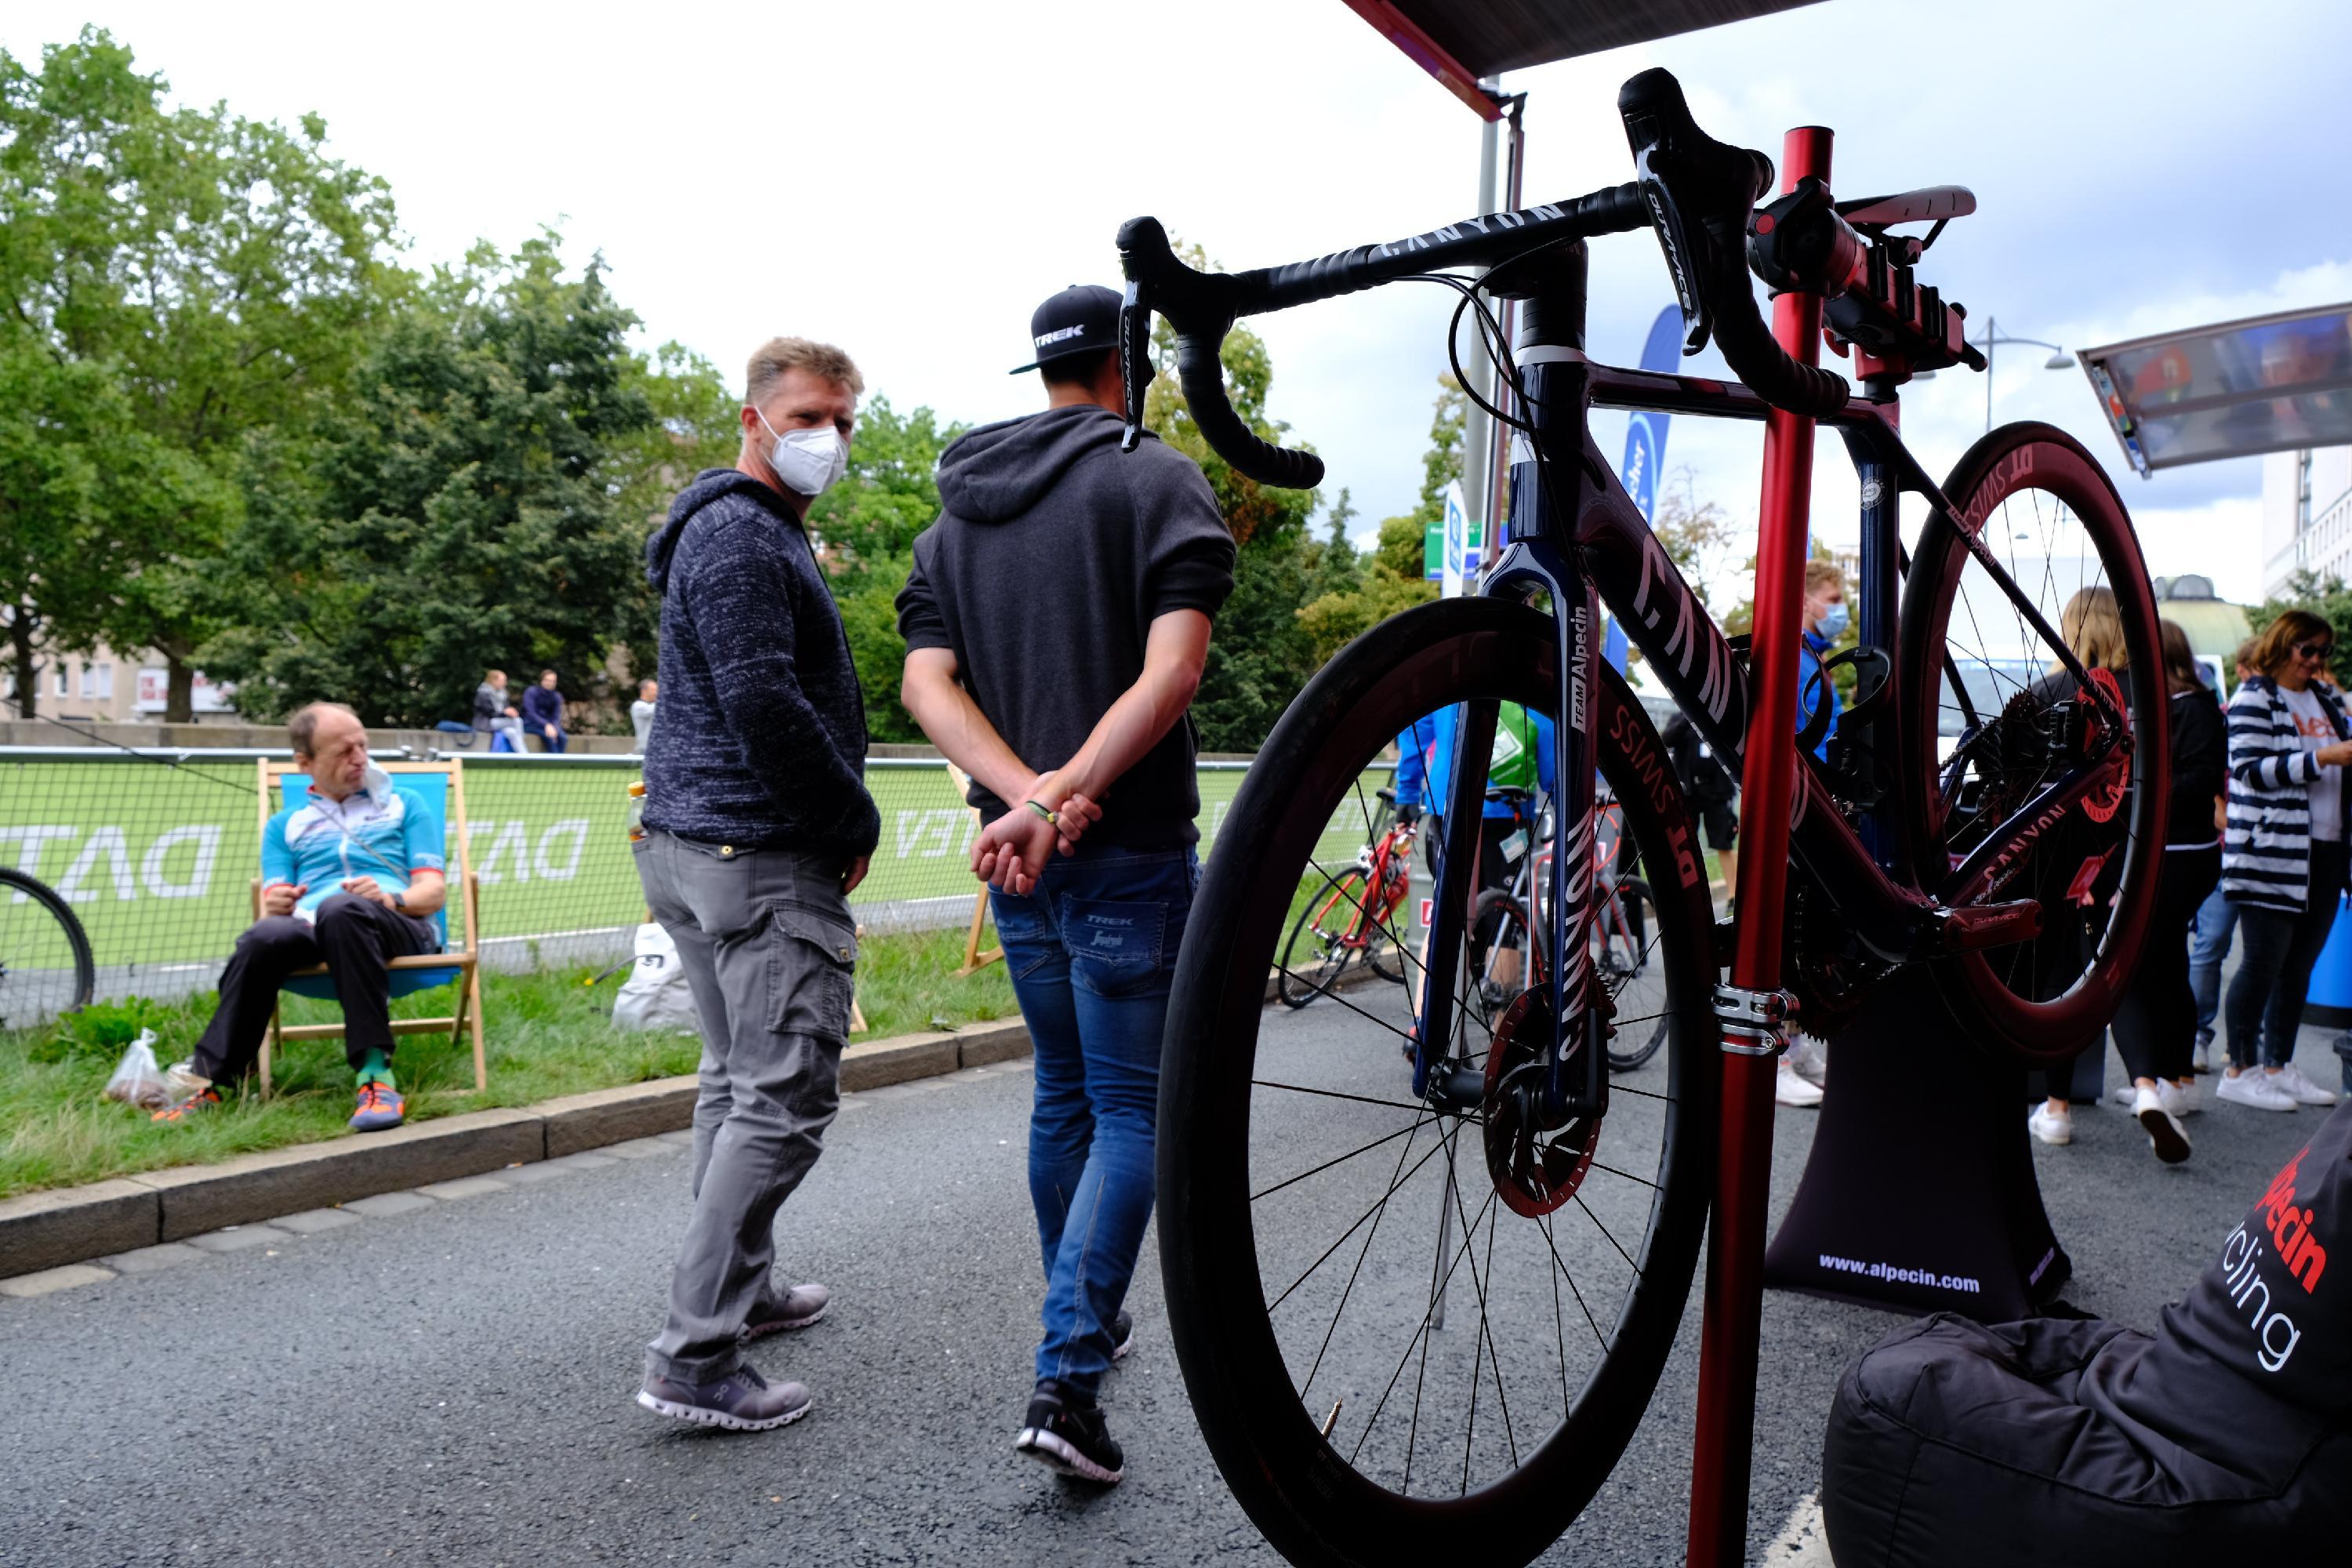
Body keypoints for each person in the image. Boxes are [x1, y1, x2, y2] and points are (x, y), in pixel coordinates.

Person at [897, 281, 1236, 1486]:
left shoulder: (955, 517)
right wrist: (1063, 794)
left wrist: (1020, 798)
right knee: (1135, 1112)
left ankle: (1080, 1324)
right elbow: (1176, 669)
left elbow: (925, 686)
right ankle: (1068, 1382)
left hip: (1015, 859)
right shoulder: (1155, 479)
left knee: (1065, 1099)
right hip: (1126, 852)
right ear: (1128, 362)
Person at [631, 336, 880, 1434]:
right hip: (754, 852)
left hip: (701, 847)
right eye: (812, 413)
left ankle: (745, 1290)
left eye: (844, 418)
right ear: (756, 419)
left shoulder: (738, 530)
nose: (829, 436)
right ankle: (694, 1359)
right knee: (780, 1103)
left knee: (735, 1085)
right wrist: (850, 814)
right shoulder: (739, 535)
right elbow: (762, 704)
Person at [154, 702, 445, 1134]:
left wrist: (391, 898)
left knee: (342, 908)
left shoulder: (405, 804)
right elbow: (274, 897)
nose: (361, 758)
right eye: (344, 751)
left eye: (363, 746)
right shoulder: (285, 825)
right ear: (305, 763)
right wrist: (275, 906)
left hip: (396, 924)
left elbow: (433, 892)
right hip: (316, 930)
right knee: (264, 936)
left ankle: (375, 1076)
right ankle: (215, 1081)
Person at [2102, 619, 2227, 1161]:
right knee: (2168, 962)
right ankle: (2175, 1081)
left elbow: (2197, 779)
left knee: (2137, 966)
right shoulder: (2193, 705)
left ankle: (2152, 1080)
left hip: (2166, 855)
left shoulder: (2181, 707)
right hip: (2189, 855)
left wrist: (2138, 792)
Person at [2217, 608, 2350, 1112]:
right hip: (2273, 850)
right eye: (2307, 650)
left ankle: (2278, 1065)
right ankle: (2239, 1069)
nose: (2316, 661)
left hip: (2327, 847)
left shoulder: (2326, 698)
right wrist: (2325, 759)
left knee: (2299, 968)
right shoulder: (2256, 697)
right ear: (2283, 645)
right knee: (2261, 964)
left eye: (2323, 652)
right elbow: (2249, 771)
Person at [2027, 587, 2134, 1147]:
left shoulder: (2048, 690)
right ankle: (2082, 1097)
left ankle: (2049, 1103)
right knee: (2082, 972)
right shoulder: (2146, 699)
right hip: (2114, 855)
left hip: (2042, 855)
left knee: (2038, 972)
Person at [2189, 637, 2263, 1071]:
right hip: (2224, 851)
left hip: (2265, 853)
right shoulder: (2222, 719)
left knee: (2261, 956)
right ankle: (2198, 1036)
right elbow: (2209, 782)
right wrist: (2230, 817)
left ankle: (2246, 1049)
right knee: (2211, 945)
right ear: (2242, 670)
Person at [1798, 560, 1847, 763]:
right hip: (1815, 781)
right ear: (1806, 602)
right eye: (1834, 600)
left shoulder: (1812, 657)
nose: (1841, 608)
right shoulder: (1795, 661)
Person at [472, 668, 525, 753]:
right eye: (503, 681)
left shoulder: (503, 693)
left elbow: (506, 710)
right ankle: (527, 755)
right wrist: (505, 713)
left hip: (500, 722)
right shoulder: (483, 693)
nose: (505, 683)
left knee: (512, 732)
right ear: (494, 681)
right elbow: (490, 713)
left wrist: (510, 712)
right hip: (487, 722)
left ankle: (524, 756)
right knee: (517, 721)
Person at [522, 669, 567, 753]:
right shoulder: (531, 692)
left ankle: (560, 761)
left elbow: (556, 715)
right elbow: (530, 713)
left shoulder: (556, 696)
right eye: (547, 680)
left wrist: (555, 727)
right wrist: (546, 725)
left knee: (563, 737)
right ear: (542, 680)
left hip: (550, 726)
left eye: (553, 681)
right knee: (549, 737)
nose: (550, 683)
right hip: (531, 724)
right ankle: (554, 762)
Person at [630, 678, 659, 750]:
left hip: (655, 749)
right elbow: (656, 708)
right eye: (654, 690)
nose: (657, 693)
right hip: (645, 749)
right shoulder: (638, 706)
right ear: (644, 691)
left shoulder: (653, 705)